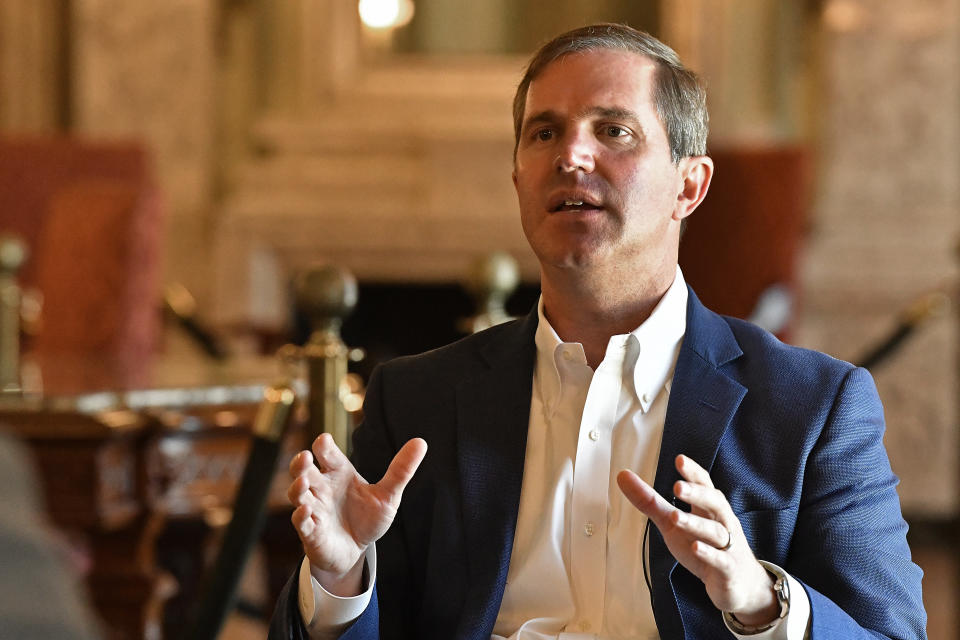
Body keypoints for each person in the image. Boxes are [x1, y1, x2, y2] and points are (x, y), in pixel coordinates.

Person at [269, 23, 926, 640]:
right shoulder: (417, 401)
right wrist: (341, 577)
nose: (572, 155)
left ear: (689, 186)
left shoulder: (813, 407)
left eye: (613, 131)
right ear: (519, 175)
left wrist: (759, 598)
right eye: (544, 134)